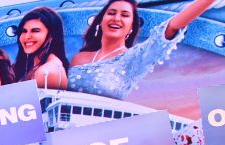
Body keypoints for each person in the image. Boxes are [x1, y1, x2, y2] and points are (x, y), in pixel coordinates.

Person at [68, 0, 216, 99]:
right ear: (100, 21)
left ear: (131, 27)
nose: (116, 18)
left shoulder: (135, 58)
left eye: (125, 15)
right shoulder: (79, 58)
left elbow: (172, 27)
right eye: (111, 13)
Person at [13, 7, 69, 89]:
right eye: (24, 31)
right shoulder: (31, 64)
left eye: (35, 31)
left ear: (51, 36)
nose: (27, 36)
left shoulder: (46, 73)